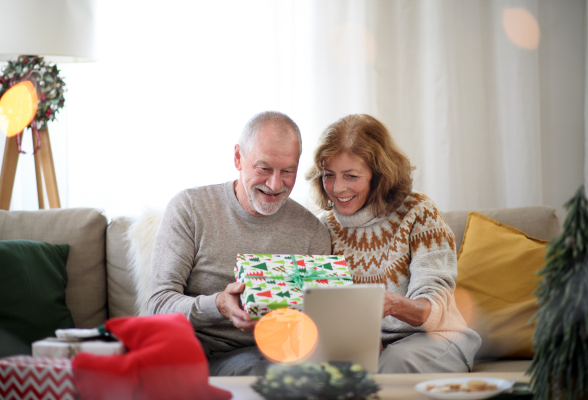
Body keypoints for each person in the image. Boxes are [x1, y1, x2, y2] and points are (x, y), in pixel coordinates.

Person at [148, 111, 331, 376]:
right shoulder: (190, 208)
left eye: (287, 171)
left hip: (265, 356)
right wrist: (219, 305)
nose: (275, 184)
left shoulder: (312, 231)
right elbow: (158, 305)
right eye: (264, 168)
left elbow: (317, 320)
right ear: (238, 158)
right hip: (189, 347)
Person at [306, 114, 481, 373]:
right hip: (360, 345)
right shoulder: (323, 227)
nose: (337, 188)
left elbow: (436, 307)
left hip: (433, 337)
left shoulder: (419, 213)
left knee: (394, 362)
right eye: (329, 175)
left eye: (351, 176)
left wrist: (389, 305)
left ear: (378, 175)